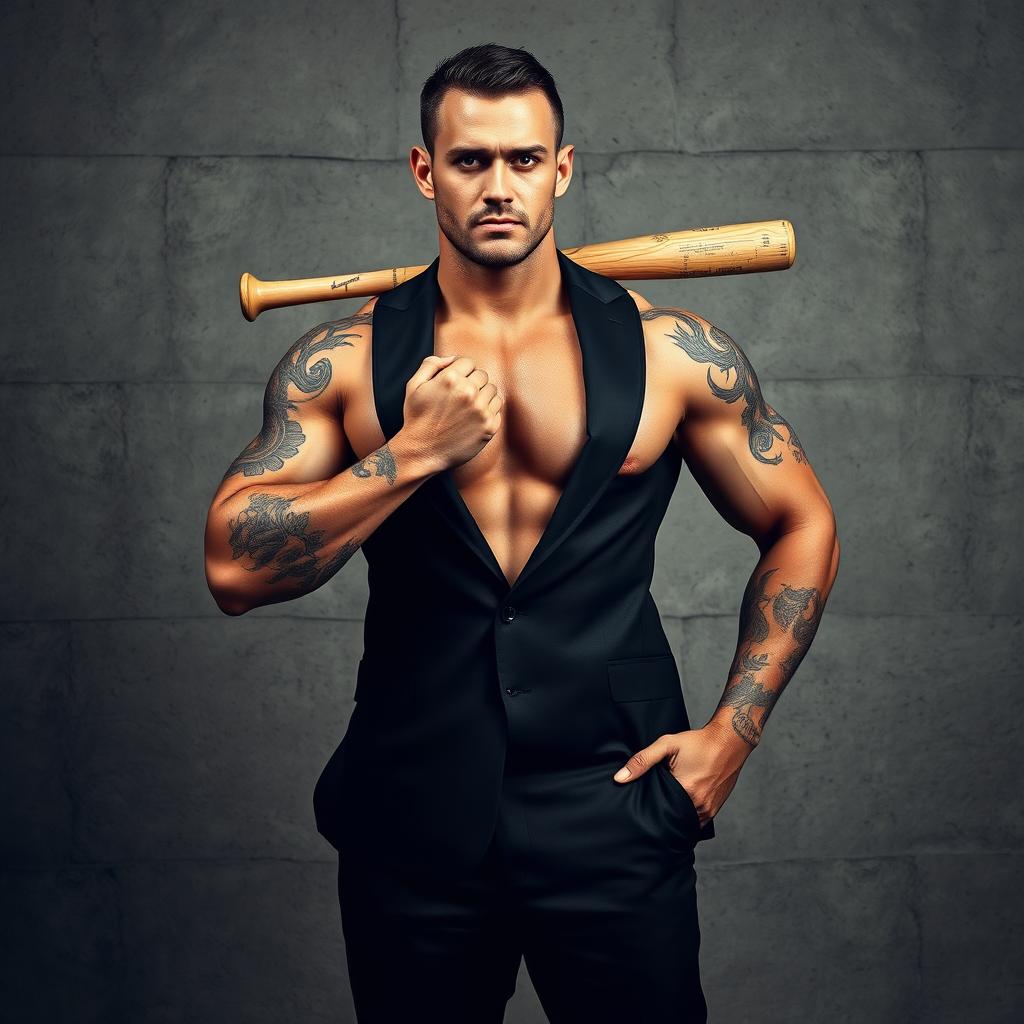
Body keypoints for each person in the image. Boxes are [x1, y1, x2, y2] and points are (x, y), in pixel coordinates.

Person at [204, 41, 840, 1024]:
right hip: (411, 815)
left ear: (563, 167)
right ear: (425, 171)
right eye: (469, 162)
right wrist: (408, 455)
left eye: (523, 160)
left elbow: (801, 520)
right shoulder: (341, 359)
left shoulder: (671, 352)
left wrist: (731, 735)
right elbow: (233, 566)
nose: (497, 187)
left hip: (615, 804)